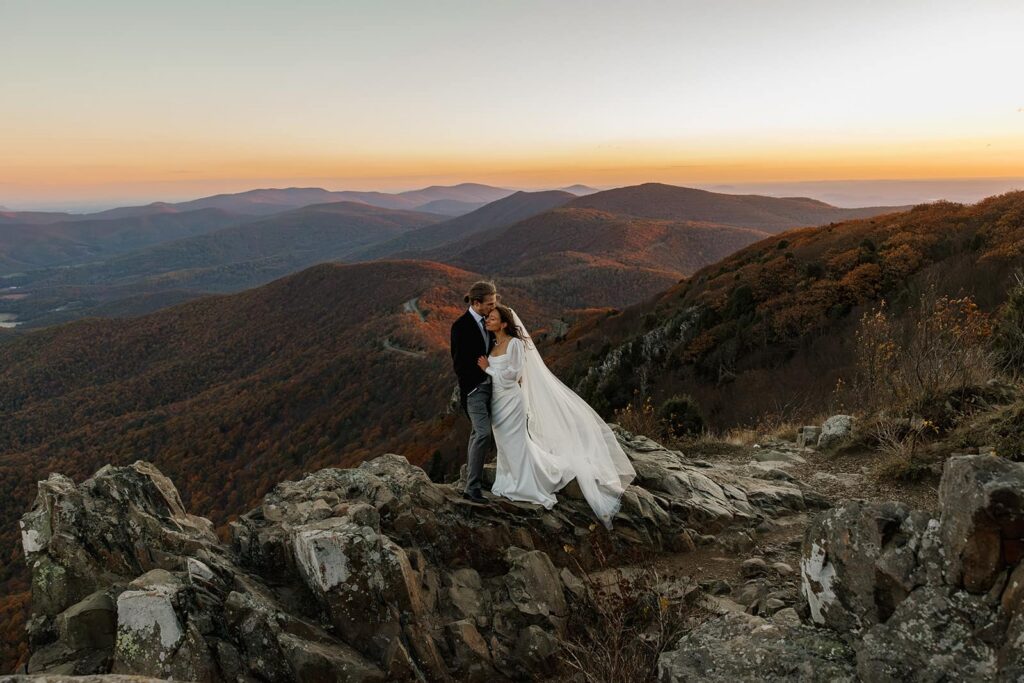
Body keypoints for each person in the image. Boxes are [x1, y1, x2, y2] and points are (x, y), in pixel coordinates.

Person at [477, 304, 636, 528]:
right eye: (488, 318)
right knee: (504, 443)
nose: (488, 320)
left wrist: (487, 369)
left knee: (518, 442)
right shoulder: (493, 344)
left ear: (504, 323)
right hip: (497, 402)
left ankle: (526, 483)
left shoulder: (515, 344)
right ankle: (510, 478)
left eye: (492, 318)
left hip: (512, 401)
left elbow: (513, 375)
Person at [450, 281, 498, 503]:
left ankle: (471, 482)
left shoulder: (492, 321)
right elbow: (459, 364)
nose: (493, 307)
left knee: (476, 434)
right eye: (490, 303)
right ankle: (472, 488)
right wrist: (476, 384)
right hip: (475, 390)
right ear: (477, 303)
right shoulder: (461, 326)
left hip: (494, 387)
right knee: (483, 433)